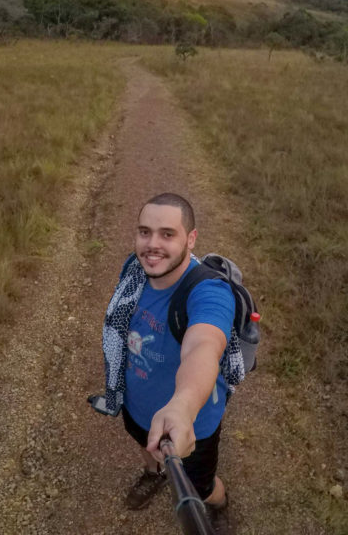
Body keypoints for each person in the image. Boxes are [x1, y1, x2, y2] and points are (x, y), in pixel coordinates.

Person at [91, 193, 235, 533]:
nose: (152, 245)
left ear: (191, 238)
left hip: (190, 428)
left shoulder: (209, 292)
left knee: (202, 488)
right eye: (144, 232)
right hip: (136, 405)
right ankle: (152, 473)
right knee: (145, 444)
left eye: (167, 234)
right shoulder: (135, 270)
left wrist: (183, 407)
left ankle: (216, 503)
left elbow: (204, 345)